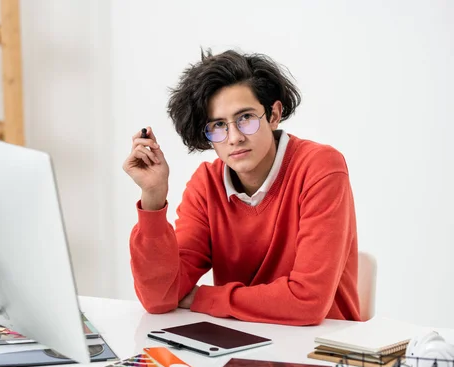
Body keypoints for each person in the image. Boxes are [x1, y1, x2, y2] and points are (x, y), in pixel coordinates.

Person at [122, 49, 361, 326]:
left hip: (320, 351)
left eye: (245, 118)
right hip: (238, 346)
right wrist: (153, 197)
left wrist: (201, 298)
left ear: (274, 114)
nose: (234, 137)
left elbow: (307, 302)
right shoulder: (206, 184)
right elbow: (159, 297)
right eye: (218, 125)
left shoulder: (319, 167)